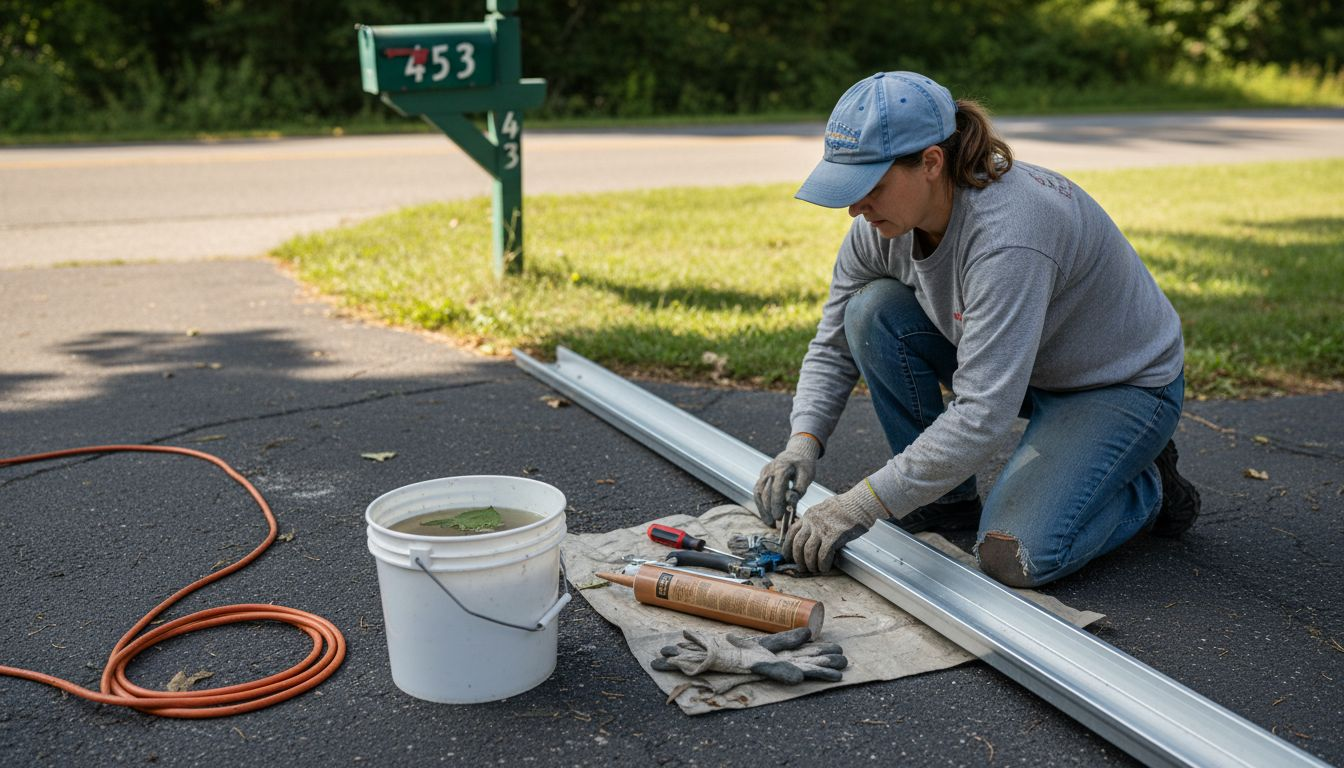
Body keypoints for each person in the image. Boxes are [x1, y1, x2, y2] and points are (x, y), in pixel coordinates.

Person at [753, 72, 1201, 586]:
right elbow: (833, 345)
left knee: (1015, 555)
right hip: (1025, 366)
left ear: (930, 162)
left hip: (1117, 385)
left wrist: (856, 506)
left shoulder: (1009, 237)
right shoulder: (881, 228)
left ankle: (1146, 486)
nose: (855, 207)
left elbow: (983, 414)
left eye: (869, 187)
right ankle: (946, 499)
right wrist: (801, 443)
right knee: (869, 309)